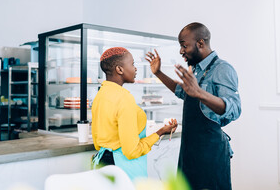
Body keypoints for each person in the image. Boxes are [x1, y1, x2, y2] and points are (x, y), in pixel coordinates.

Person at [145, 22, 241, 190]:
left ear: (200, 43)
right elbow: (183, 92)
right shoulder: (195, 69)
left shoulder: (222, 69)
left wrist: (200, 93)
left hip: (211, 155)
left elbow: (234, 108)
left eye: (184, 45)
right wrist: (158, 73)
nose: (181, 51)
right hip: (189, 153)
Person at [91, 47, 178, 181]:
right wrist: (159, 133)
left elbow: (98, 142)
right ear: (119, 69)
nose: (135, 68)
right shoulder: (124, 98)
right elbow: (131, 151)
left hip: (102, 163)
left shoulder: (100, 94)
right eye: (132, 64)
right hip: (123, 169)